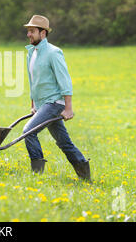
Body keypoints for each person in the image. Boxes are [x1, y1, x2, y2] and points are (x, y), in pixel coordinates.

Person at [22, 14, 91, 181]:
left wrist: (68, 108)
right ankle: (84, 173)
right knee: (63, 142)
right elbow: (33, 82)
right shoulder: (31, 53)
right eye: (28, 31)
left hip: (54, 103)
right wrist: (33, 105)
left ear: (43, 33)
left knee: (28, 132)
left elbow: (64, 80)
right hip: (43, 104)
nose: (28, 34)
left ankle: (37, 174)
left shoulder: (54, 53)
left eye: (32, 31)